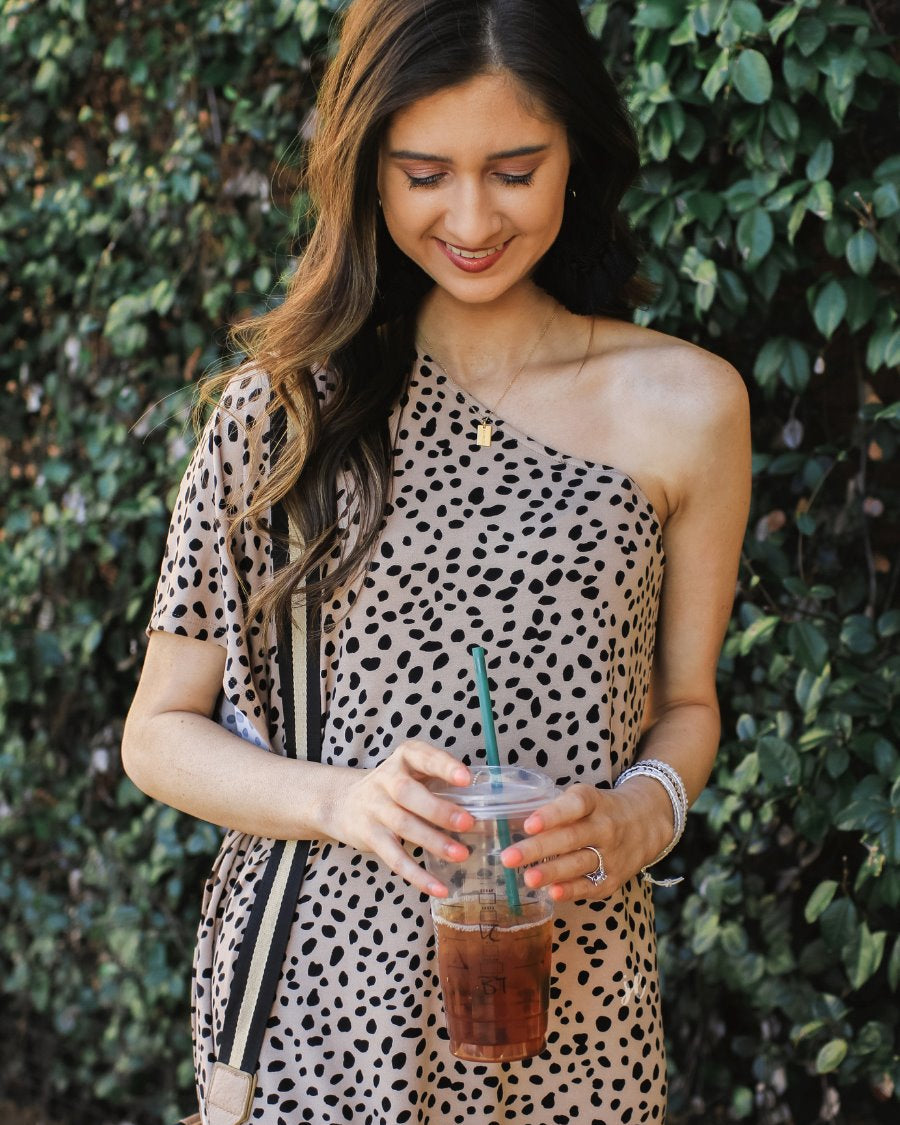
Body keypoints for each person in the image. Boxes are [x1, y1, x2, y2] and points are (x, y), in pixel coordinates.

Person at [122, 0, 751, 1121]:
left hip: (577, 999)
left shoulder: (688, 406)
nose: (471, 217)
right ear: (367, 170)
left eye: (516, 170)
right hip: (318, 1010)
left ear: (578, 157)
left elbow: (687, 705)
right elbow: (159, 731)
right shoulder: (280, 413)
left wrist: (638, 816)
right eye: (424, 172)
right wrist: (341, 802)